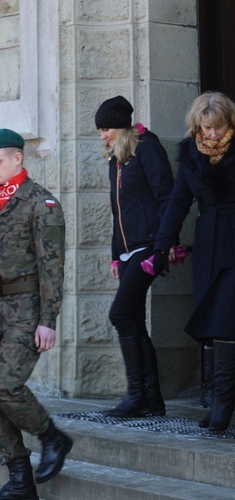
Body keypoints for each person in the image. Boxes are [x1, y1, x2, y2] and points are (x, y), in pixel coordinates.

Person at [0, 129, 72, 499]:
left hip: (28, 309)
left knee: (3, 385)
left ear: (18, 159)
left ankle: (52, 437)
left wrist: (49, 320)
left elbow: (52, 267)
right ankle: (20, 481)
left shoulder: (41, 205)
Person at [152, 91, 235, 431]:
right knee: (212, 324)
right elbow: (178, 201)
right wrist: (162, 243)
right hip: (209, 245)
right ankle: (215, 396)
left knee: (224, 320)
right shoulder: (189, 154)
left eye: (219, 128)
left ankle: (221, 404)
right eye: (207, 128)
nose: (213, 135)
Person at [94, 96, 175, 418]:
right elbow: (118, 212)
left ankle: (138, 395)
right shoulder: (116, 159)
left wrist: (164, 246)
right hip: (128, 251)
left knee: (121, 315)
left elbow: (168, 196)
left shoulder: (147, 148)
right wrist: (116, 255)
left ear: (122, 126)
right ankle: (151, 400)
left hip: (149, 246)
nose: (102, 135)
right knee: (133, 319)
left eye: (107, 128)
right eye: (100, 129)